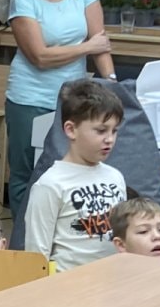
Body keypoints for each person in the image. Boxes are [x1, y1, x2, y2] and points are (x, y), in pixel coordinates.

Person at [6, 0, 115, 246]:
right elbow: (40, 56)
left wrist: (112, 84)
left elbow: (101, 44)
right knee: (27, 174)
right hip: (30, 98)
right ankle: (24, 243)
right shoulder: (25, 0)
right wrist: (87, 47)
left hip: (72, 102)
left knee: (70, 169)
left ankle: (62, 241)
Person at [22, 77, 128, 269]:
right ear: (71, 130)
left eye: (114, 131)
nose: (110, 139)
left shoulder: (115, 177)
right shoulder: (50, 184)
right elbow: (36, 253)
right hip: (69, 283)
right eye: (101, 130)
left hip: (112, 278)